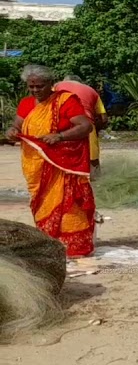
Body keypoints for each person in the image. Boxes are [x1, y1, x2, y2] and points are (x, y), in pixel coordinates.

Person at [2, 64, 97, 257]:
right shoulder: (27, 103)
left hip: (63, 165)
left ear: (50, 84)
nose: (36, 90)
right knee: (42, 203)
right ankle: (51, 244)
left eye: (40, 86)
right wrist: (11, 131)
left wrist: (60, 136)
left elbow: (85, 126)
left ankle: (73, 247)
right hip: (35, 165)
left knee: (68, 204)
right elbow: (17, 125)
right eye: (32, 87)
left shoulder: (65, 101)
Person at [54, 75, 108, 176]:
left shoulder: (57, 86)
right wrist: (95, 130)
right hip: (87, 124)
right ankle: (97, 183)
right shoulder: (92, 91)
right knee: (93, 161)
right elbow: (104, 119)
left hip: (61, 123)